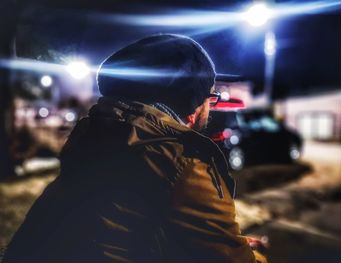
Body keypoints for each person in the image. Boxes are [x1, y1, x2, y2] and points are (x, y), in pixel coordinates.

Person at [3, 34, 260, 263]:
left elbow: (119, 234)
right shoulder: (181, 162)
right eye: (210, 98)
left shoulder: (94, 142)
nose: (210, 108)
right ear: (193, 105)